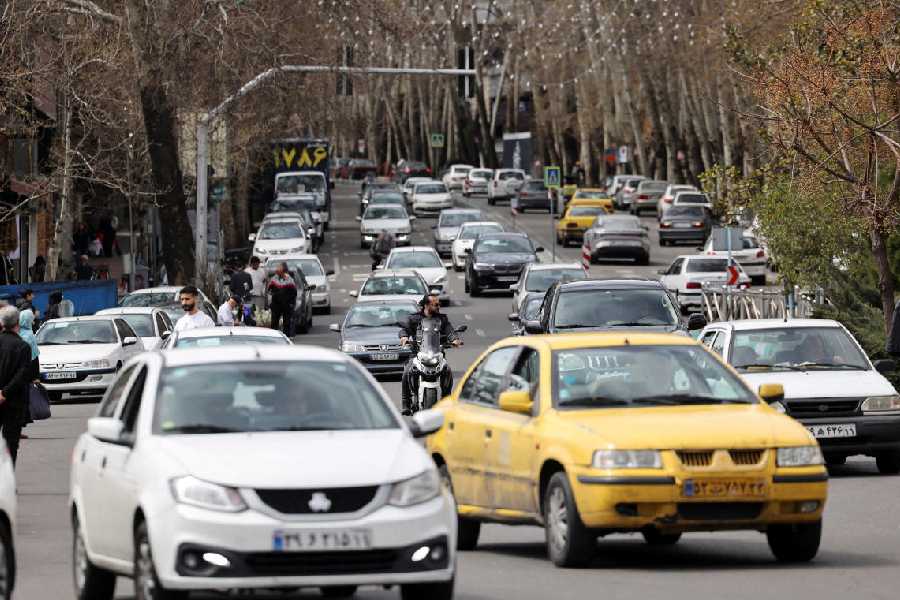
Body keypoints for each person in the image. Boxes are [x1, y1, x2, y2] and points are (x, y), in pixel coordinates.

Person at [399, 293, 462, 414]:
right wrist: (404, 337)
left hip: (437, 354)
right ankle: (406, 403)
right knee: (407, 371)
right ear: (426, 305)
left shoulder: (442, 319)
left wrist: (454, 339)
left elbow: (449, 331)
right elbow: (404, 329)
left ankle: (446, 399)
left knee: (447, 371)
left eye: (439, 304)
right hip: (417, 353)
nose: (439, 306)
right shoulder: (414, 319)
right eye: (436, 304)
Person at [0, 306, 34, 465]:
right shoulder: (23, 347)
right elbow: (22, 375)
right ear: (18, 323)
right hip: (14, 402)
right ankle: (7, 481)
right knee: (11, 445)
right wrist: (5, 393)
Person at [17, 309, 39, 440]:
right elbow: (34, 358)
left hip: (13, 373)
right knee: (22, 402)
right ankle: (16, 430)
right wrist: (36, 376)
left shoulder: (17, 333)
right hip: (25, 374)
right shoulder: (30, 336)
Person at [267, 262, 297, 336]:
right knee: (274, 322)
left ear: (283, 269)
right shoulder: (273, 279)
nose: (277, 269)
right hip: (276, 305)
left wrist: (291, 303)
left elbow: (294, 293)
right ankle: (273, 337)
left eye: (279, 267)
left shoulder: (290, 280)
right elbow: (269, 291)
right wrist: (271, 301)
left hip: (286, 305)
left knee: (286, 322)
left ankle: (286, 336)